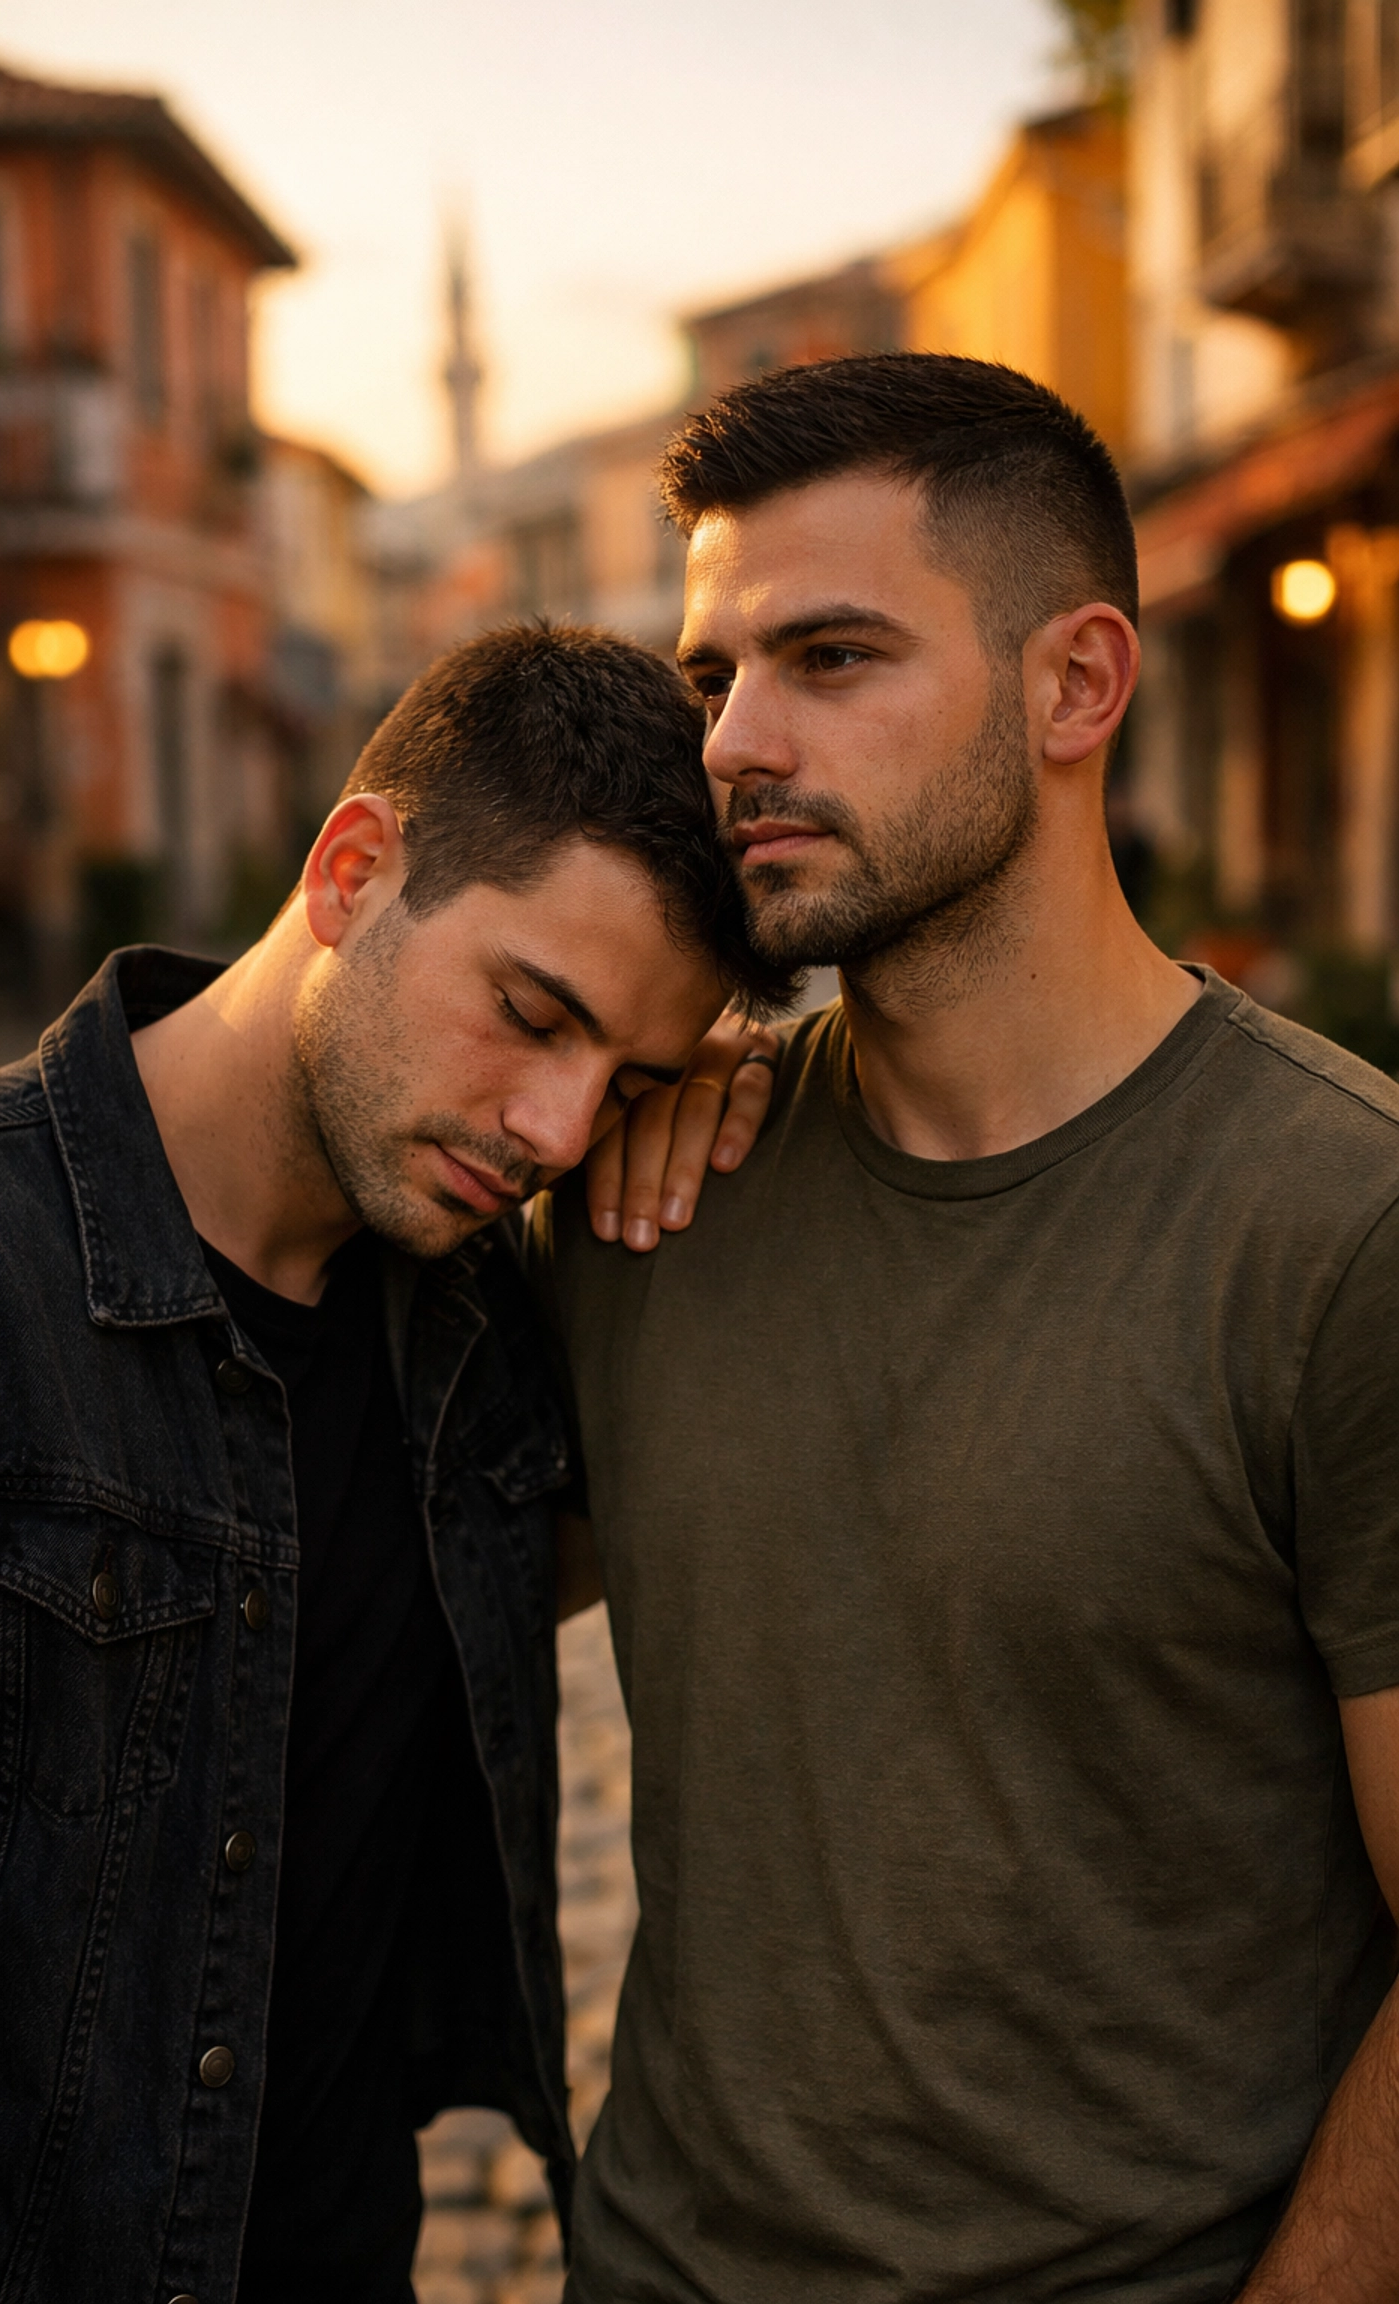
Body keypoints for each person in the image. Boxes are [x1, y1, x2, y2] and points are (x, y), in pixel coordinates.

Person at [541, 355, 1399, 2303]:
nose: (738, 742)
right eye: (711, 677)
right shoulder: (647, 1192)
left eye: (830, 657)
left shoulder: (1343, 1229)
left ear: (1078, 685)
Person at [0, 621, 785, 2304]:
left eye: (625, 1078)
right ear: (355, 866)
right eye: (530, 1012)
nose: (557, 1130)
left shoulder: (489, 1332)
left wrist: (734, 1108)